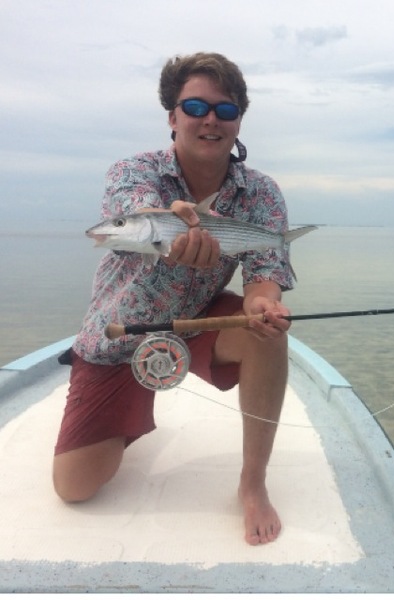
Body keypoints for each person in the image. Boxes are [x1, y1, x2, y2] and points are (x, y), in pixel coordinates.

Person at [52, 52, 294, 546]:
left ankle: (252, 483)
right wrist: (168, 215)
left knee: (267, 332)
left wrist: (262, 305)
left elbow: (264, 277)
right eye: (196, 107)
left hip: (198, 322)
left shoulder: (262, 195)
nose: (210, 120)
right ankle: (128, 415)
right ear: (172, 116)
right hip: (119, 338)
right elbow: (130, 210)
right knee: (74, 487)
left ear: (239, 120)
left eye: (225, 110)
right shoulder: (134, 171)